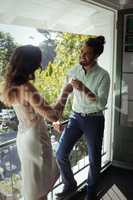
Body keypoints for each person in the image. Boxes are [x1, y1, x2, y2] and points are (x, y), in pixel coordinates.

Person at [1, 45, 73, 200]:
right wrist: (66, 91)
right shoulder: (27, 88)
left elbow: (40, 111)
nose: (39, 67)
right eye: (37, 63)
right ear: (30, 64)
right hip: (36, 139)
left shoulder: (11, 86)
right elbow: (54, 116)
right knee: (40, 189)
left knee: (35, 186)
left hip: (23, 137)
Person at [53, 36, 110, 200]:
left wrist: (84, 89)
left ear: (96, 55)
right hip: (75, 118)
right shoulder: (75, 69)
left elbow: (101, 103)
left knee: (94, 159)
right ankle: (70, 184)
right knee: (60, 153)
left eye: (86, 53)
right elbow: (66, 92)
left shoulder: (103, 76)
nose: (82, 55)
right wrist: (57, 117)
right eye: (82, 52)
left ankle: (91, 193)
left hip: (94, 120)